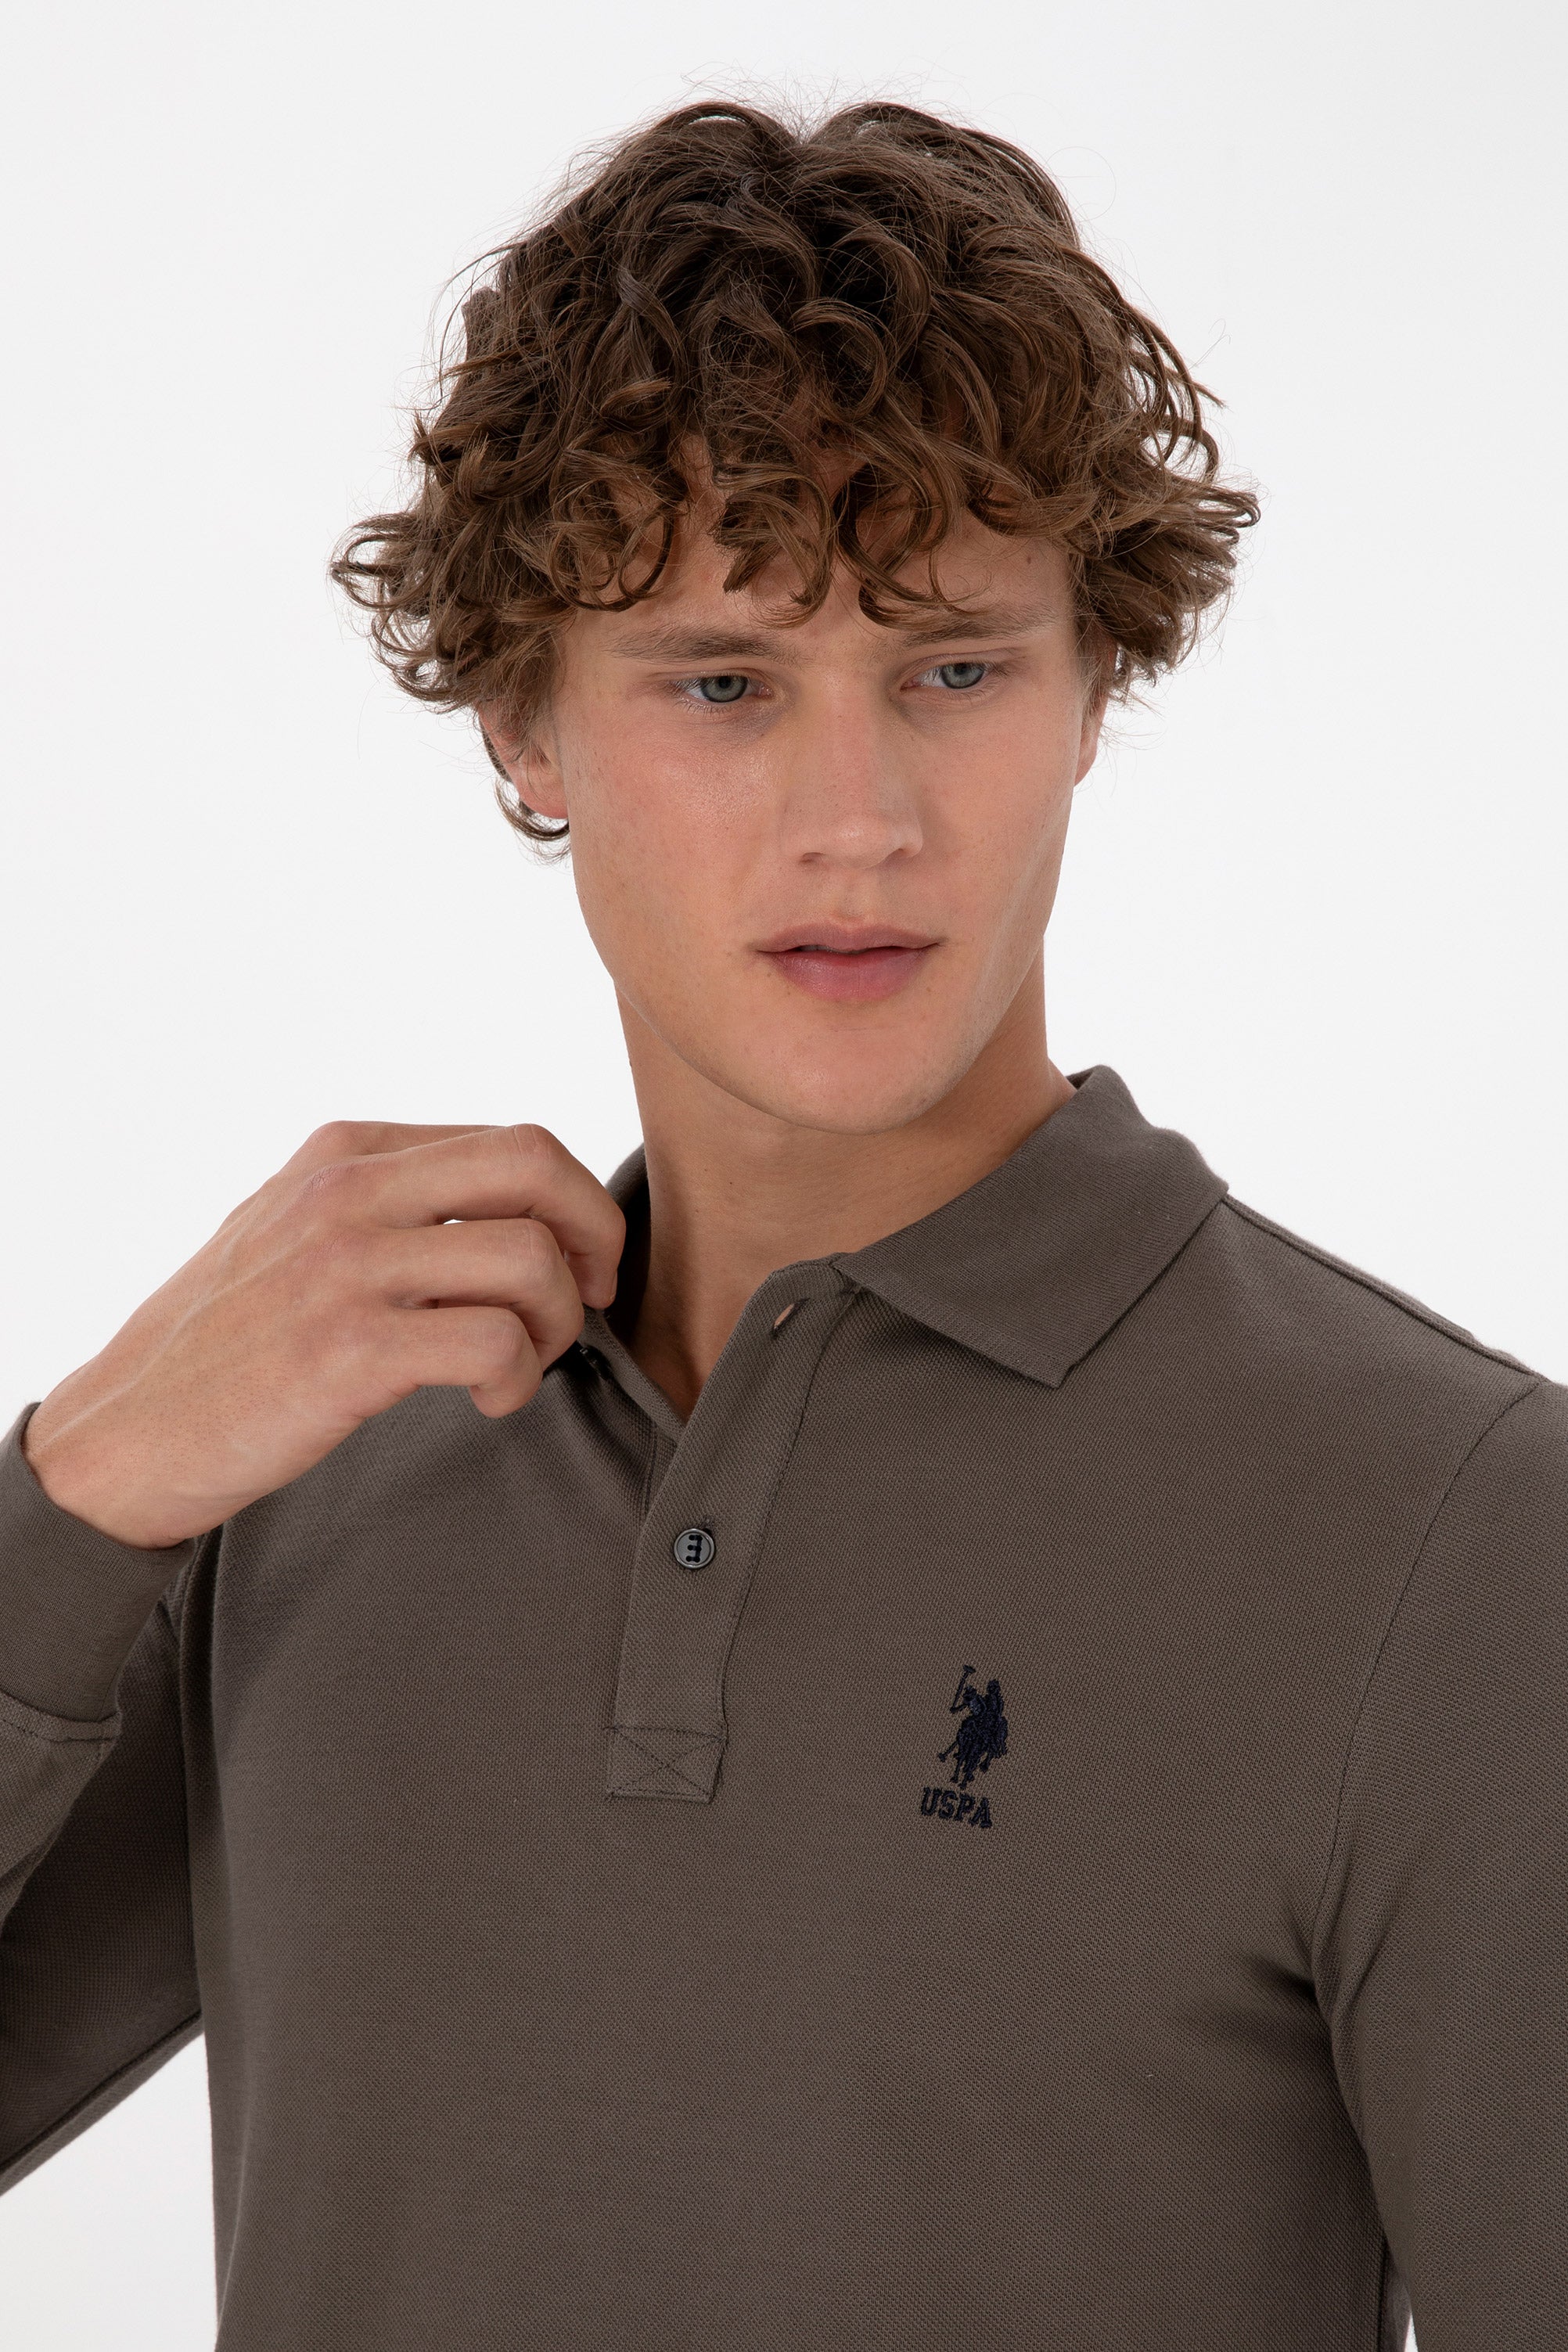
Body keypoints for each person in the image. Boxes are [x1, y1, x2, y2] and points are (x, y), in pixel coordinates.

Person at [1, 98, 1561, 2352]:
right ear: (524, 723)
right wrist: (74, 1498)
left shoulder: (1460, 1532)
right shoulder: (311, 1452)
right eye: (725, 681)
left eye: (954, 668)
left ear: (1093, 691)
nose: (860, 821)